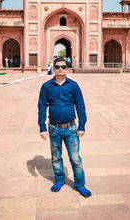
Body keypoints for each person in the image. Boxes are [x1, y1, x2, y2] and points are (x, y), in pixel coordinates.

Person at [38, 57, 92, 198]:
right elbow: (42, 107)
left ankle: (80, 185)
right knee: (56, 157)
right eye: (57, 67)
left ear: (67, 68)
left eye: (63, 66)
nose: (60, 69)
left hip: (71, 128)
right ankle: (60, 180)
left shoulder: (73, 86)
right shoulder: (46, 86)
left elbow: (80, 106)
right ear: (53, 68)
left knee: (75, 158)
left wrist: (82, 126)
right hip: (54, 128)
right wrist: (42, 127)